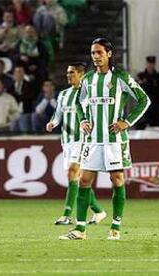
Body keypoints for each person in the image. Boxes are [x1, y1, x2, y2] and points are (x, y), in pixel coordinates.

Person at [59, 38, 150, 240]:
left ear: (109, 54)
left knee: (116, 179)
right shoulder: (88, 79)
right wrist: (83, 120)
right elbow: (79, 102)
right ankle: (80, 229)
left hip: (114, 140)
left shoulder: (120, 77)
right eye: (93, 53)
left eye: (99, 52)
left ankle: (115, 226)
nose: (96, 57)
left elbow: (144, 99)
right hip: (92, 140)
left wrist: (127, 121)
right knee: (84, 180)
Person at [46, 62, 106, 226]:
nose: (68, 75)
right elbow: (58, 114)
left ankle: (66, 214)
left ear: (81, 74)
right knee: (78, 178)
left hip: (83, 140)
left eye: (72, 72)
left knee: (73, 172)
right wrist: (52, 123)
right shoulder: (64, 94)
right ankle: (99, 211)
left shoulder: (88, 94)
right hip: (67, 141)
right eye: (68, 72)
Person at [10, 65, 37, 132]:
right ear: (14, 74)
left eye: (21, 72)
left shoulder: (29, 85)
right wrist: (21, 96)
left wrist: (18, 96)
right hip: (13, 112)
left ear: (24, 73)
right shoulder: (10, 87)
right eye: (17, 72)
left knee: (24, 127)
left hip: (25, 112)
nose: (19, 74)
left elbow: (30, 97)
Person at [137, 56, 159, 126]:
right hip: (143, 105)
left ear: (154, 64)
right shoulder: (141, 76)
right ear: (146, 64)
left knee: (156, 127)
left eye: (152, 63)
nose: (150, 65)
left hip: (155, 106)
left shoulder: (158, 77)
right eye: (149, 63)